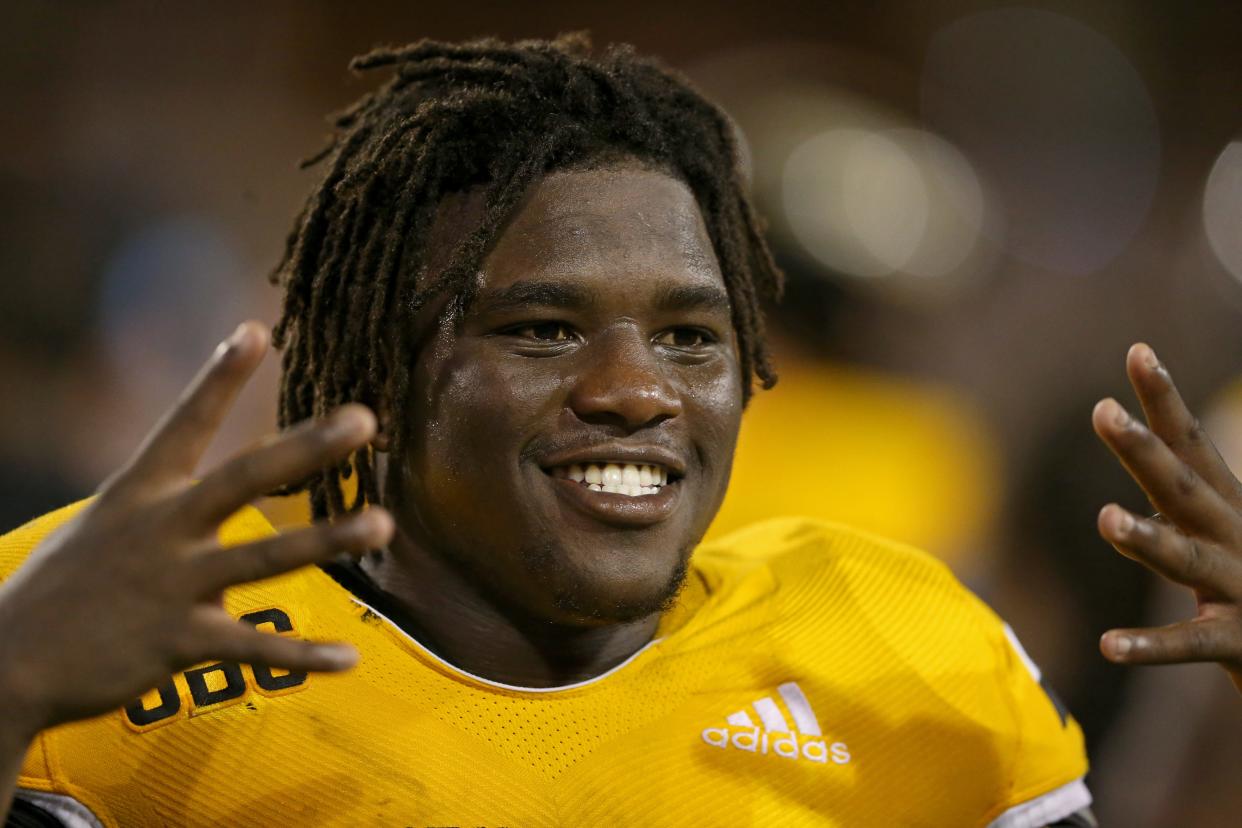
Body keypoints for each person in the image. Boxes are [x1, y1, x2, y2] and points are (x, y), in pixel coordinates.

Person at [1, 34, 1239, 827]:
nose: (637, 391)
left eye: (692, 338)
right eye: (543, 330)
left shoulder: (894, 639)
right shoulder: (114, 632)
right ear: (383, 361)